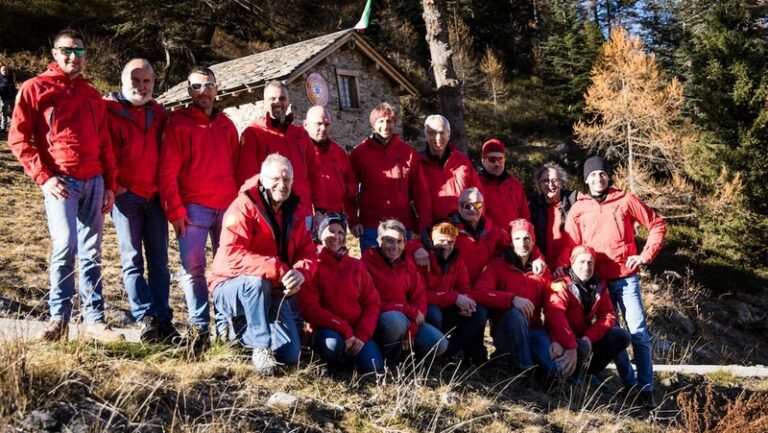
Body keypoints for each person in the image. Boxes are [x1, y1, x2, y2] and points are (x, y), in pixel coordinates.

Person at [8, 30, 122, 341]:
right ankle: (58, 319)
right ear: (55, 53)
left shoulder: (91, 94)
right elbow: (18, 138)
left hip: (94, 181)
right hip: (61, 182)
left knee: (92, 252)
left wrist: (110, 184)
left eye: (80, 51)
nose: (74, 56)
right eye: (67, 50)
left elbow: (104, 143)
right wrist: (44, 176)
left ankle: (95, 320)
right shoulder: (36, 88)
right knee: (65, 246)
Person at [559, 156, 666, 406]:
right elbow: (570, 244)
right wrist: (564, 270)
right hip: (598, 283)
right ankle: (629, 385)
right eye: (593, 175)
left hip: (626, 279)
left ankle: (646, 387)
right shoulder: (579, 207)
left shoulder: (625, 200)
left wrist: (645, 255)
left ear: (609, 177)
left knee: (638, 333)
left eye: (603, 174)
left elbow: (657, 224)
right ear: (586, 179)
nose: (599, 179)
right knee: (615, 334)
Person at [208, 154, 318, 375]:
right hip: (230, 286)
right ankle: (260, 347)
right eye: (276, 179)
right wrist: (279, 270)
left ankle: (237, 332)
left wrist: (300, 272)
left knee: (290, 353)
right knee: (256, 283)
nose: (282, 185)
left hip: (272, 289)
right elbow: (232, 255)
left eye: (287, 180)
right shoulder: (243, 206)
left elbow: (308, 252)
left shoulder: (294, 211)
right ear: (263, 180)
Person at [158, 66, 239, 348]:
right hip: (193, 209)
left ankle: (226, 327)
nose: (203, 92)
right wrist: (175, 211)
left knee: (227, 268)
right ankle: (199, 327)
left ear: (217, 88)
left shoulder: (228, 125)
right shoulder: (178, 123)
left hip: (227, 209)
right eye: (196, 86)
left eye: (208, 86)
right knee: (193, 268)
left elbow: (236, 168)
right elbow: (167, 172)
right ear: (188, 90)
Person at [105, 59, 177, 342]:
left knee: (160, 261)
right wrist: (113, 185)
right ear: (123, 81)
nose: (141, 86)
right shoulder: (109, 110)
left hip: (155, 197)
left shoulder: (158, 111)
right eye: (135, 80)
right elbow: (103, 149)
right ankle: (145, 317)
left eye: (147, 81)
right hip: (127, 198)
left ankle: (163, 319)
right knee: (132, 259)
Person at [299, 213, 383, 373]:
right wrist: (344, 330)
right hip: (326, 330)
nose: (336, 236)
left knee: (374, 367)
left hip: (356, 331)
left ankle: (350, 359)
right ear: (320, 233)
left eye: (340, 233)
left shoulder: (356, 266)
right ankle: (332, 366)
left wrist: (361, 335)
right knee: (332, 346)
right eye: (331, 231)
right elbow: (309, 308)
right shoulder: (313, 264)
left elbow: (372, 302)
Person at [237, 81, 325, 228]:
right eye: (272, 99)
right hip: (270, 214)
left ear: (288, 101)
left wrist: (320, 209)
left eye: (282, 98)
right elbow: (246, 177)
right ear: (264, 102)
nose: (278, 102)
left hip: (302, 213)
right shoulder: (254, 133)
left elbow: (315, 175)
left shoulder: (301, 136)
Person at [362, 219, 447, 367]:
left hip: (407, 320)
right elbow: (369, 301)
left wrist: (412, 329)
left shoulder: (408, 264)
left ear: (405, 242)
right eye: (389, 241)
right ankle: (389, 363)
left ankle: (407, 361)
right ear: (379, 241)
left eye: (399, 241)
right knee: (396, 320)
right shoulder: (366, 263)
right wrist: (406, 310)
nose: (395, 246)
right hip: (378, 320)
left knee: (440, 343)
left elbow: (419, 296)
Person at [349, 103, 432, 251]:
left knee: (401, 272)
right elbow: (349, 190)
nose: (385, 125)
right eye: (380, 121)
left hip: (402, 225)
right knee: (372, 272)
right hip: (371, 226)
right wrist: (353, 220)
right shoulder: (359, 153)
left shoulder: (408, 153)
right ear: (373, 124)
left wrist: (424, 224)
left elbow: (421, 192)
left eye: (389, 121)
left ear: (394, 124)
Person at [474, 219, 551, 375]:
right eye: (517, 238)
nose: (522, 243)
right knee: (516, 315)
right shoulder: (497, 266)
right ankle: (525, 372)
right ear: (511, 242)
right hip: (506, 329)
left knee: (556, 370)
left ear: (533, 241)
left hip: (534, 331)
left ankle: (514, 360)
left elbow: (553, 306)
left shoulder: (542, 270)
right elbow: (478, 292)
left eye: (527, 238)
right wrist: (512, 299)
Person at [545, 246, 630, 382]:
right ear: (572, 262)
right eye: (582, 262)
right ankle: (569, 376)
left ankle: (587, 373)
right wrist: (570, 344)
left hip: (583, 337)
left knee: (621, 336)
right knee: (580, 349)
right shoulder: (561, 283)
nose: (586, 267)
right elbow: (555, 315)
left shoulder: (598, 285)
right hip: (561, 337)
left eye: (590, 263)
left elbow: (608, 314)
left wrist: (589, 337)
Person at [415, 221, 488, 366]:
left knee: (479, 312)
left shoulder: (457, 260)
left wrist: (467, 301)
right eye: (441, 241)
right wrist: (454, 297)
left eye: (450, 242)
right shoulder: (422, 258)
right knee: (433, 312)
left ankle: (448, 351)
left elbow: (464, 285)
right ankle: (425, 354)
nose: (446, 246)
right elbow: (420, 295)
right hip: (426, 310)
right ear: (432, 240)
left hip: (448, 308)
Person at [418, 114, 481, 221]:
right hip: (432, 228)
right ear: (426, 135)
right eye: (432, 133)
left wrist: (476, 224)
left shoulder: (462, 161)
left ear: (449, 134)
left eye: (442, 132)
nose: (438, 138)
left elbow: (478, 194)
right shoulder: (418, 163)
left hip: (462, 225)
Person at [303, 105, 356, 216]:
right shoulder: (300, 151)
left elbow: (351, 179)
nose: (323, 128)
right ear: (305, 125)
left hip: (336, 215)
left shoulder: (339, 152)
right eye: (319, 124)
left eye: (327, 124)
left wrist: (343, 190)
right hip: (310, 216)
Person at [529, 162, 575, 271]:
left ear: (562, 183)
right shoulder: (533, 207)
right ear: (539, 185)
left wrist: (564, 263)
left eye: (555, 180)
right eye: (545, 181)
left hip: (570, 264)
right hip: (541, 265)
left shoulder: (574, 202)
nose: (551, 184)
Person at [477, 139, 530, 229]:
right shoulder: (475, 184)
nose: (497, 164)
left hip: (513, 240)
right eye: (492, 159)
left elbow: (524, 216)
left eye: (500, 159)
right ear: (483, 160)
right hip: (488, 240)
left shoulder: (515, 185)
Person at [0, 64, 17, 131]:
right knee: (4, 113)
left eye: (6, 70)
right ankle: (3, 127)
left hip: (13, 97)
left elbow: (14, 86)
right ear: (0, 71)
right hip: (4, 98)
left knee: (15, 112)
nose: (5, 71)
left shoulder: (11, 77)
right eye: (3, 70)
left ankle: (15, 127)